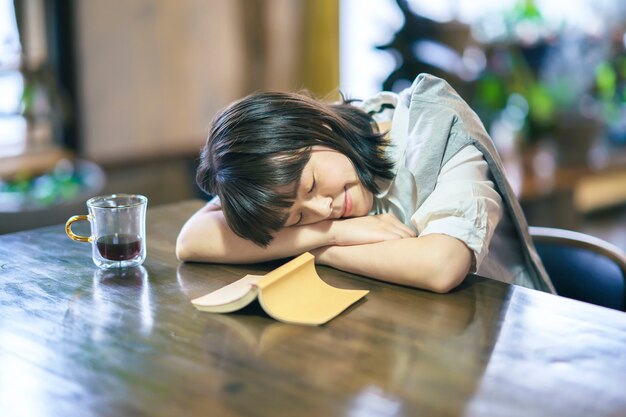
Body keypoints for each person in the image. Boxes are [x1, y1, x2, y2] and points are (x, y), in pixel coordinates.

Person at [176, 73, 555, 294]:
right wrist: (332, 234)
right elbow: (191, 240)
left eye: (310, 186)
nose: (322, 211)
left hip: (509, 335)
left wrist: (312, 247)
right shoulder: (293, 179)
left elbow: (441, 266)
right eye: (296, 219)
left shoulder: (436, 126)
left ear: (319, 126)